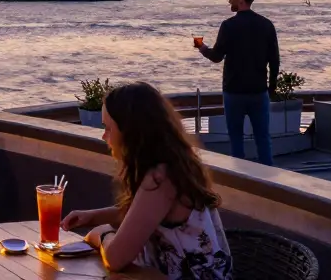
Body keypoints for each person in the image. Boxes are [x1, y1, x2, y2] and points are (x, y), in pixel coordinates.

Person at [61, 82, 231, 279]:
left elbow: (116, 258)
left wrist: (103, 234)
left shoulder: (161, 180)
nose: (104, 136)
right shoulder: (173, 166)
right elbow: (144, 215)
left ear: (131, 133)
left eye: (108, 128)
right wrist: (93, 216)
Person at [197, 0, 279, 166]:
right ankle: (270, 182)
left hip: (234, 91)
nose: (229, 0)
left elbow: (217, 57)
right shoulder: (266, 25)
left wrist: (203, 48)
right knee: (263, 139)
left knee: (236, 140)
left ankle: (241, 180)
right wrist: (270, 89)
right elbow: (274, 61)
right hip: (259, 91)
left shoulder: (228, 26)